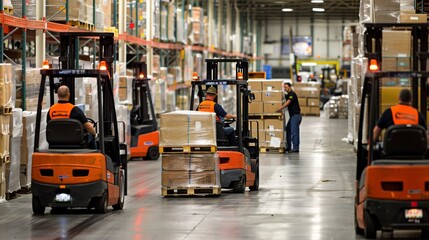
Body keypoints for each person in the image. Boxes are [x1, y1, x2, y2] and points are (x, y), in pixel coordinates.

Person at [276, 82, 302, 153]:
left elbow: (288, 102)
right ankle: (289, 147)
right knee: (288, 130)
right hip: (292, 117)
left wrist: (280, 108)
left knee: (294, 132)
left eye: (286, 87)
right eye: (284, 87)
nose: (285, 88)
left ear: (290, 87)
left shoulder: (292, 94)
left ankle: (296, 148)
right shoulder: (287, 95)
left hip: (296, 116)